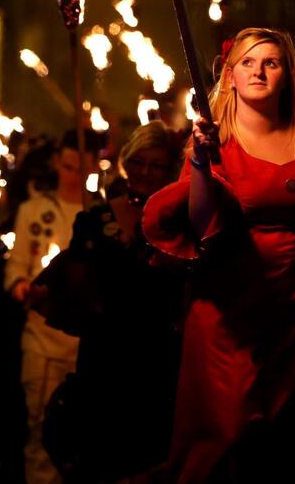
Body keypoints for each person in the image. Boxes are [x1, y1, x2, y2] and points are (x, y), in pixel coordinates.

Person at [142, 27, 295, 483]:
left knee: (292, 446)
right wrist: (202, 165)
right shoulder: (211, 141)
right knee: (224, 436)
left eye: (271, 62)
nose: (259, 71)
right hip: (229, 312)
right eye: (248, 62)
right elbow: (203, 226)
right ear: (231, 76)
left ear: (288, 75)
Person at [37, 120, 185, 481]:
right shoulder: (96, 218)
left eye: (157, 165)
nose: (146, 173)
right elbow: (73, 289)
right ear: (125, 162)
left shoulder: (180, 221)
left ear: (171, 169)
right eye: (139, 162)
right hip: (104, 355)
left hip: (156, 356)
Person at [4, 130, 100, 484]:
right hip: (41, 343)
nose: (72, 175)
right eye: (66, 166)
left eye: (80, 168)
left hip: (85, 349)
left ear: (93, 167)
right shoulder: (34, 210)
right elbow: (15, 268)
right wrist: (22, 288)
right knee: (41, 435)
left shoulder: (101, 214)